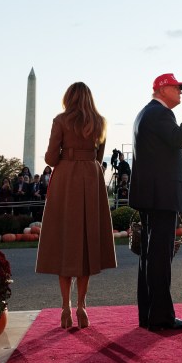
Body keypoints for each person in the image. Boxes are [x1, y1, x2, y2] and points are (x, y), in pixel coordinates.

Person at [35, 82, 118, 330]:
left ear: (68, 98)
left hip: (66, 179)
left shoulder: (60, 120)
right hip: (91, 179)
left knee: (65, 242)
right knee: (86, 243)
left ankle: (65, 307)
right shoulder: (100, 122)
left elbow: (51, 158)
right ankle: (82, 306)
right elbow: (99, 155)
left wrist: (64, 155)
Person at [129, 72, 182, 332]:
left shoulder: (146, 113)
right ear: (162, 90)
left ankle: (149, 315)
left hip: (152, 195)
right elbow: (177, 139)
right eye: (176, 88)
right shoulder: (160, 113)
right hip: (161, 196)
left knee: (149, 257)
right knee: (159, 258)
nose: (181, 92)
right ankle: (161, 317)